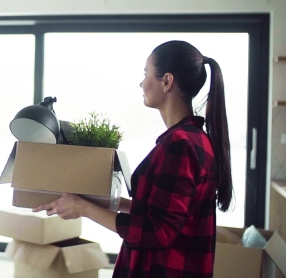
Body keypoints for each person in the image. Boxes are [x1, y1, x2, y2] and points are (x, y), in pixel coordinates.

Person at [33, 40, 233, 278]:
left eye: (146, 73)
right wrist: (98, 201)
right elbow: (162, 212)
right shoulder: (195, 139)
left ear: (167, 81)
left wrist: (83, 208)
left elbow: (157, 232)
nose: (141, 82)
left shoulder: (180, 145)